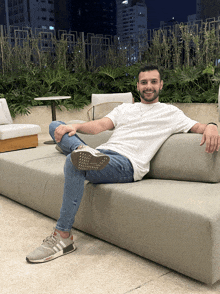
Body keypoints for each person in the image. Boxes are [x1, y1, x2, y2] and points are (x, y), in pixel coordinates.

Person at [26, 64, 220, 263]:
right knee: (56, 126)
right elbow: (99, 126)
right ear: (137, 85)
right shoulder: (125, 109)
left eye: (153, 82)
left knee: (74, 162)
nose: (148, 86)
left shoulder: (171, 113)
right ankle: (81, 151)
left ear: (161, 85)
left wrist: (212, 126)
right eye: (144, 82)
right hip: (102, 154)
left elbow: (199, 126)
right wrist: (73, 126)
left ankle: (63, 237)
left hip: (127, 164)